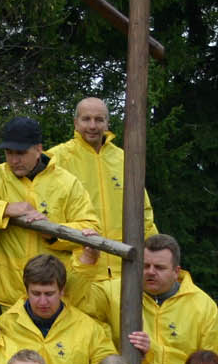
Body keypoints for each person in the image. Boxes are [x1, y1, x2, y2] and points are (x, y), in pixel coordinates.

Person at [0, 115, 98, 307]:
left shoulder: (67, 183)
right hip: (2, 300)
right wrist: (4, 210)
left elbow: (90, 227)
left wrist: (52, 233)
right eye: (8, 153)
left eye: (20, 153)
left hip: (50, 301)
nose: (13, 160)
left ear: (38, 149)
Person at [68, 233, 218, 364]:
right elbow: (78, 301)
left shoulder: (203, 305)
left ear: (176, 271)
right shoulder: (116, 290)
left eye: (159, 267)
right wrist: (86, 261)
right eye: (146, 265)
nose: (151, 272)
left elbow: (210, 361)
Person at [45, 96, 157, 281]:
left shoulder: (125, 159)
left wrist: (154, 252)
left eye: (99, 119)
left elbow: (144, 213)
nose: (92, 126)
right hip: (79, 268)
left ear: (107, 123)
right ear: (75, 122)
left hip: (124, 270)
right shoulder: (57, 159)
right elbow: (49, 217)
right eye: (86, 119)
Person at [0, 254, 116, 364]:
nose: (42, 302)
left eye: (49, 294)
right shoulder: (4, 325)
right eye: (36, 293)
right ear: (26, 291)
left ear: (62, 291)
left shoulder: (88, 328)